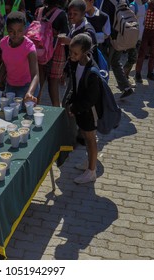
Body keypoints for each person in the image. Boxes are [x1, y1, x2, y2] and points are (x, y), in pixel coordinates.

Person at [66, 33, 102, 184]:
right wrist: (69, 101)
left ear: (86, 52)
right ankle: (89, 162)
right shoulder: (76, 63)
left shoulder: (92, 72)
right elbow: (75, 86)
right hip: (82, 110)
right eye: (70, 52)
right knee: (86, 136)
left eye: (75, 53)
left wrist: (75, 108)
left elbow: (91, 99)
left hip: (89, 111)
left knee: (90, 138)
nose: (72, 56)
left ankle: (92, 171)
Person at [0, 11, 39, 102]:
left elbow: (35, 75)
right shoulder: (3, 43)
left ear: (25, 29)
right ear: (7, 29)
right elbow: (4, 64)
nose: (16, 35)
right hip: (10, 86)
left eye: (20, 31)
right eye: (12, 31)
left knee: (23, 113)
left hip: (27, 86)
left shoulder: (29, 47)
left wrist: (30, 93)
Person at [36, 0, 69, 106]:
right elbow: (64, 37)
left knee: (38, 85)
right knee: (53, 86)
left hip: (39, 52)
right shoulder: (62, 14)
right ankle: (56, 114)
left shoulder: (39, 11)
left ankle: (33, 110)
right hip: (56, 53)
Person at [101, 0, 135, 99]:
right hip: (121, 36)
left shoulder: (108, 2)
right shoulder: (124, 1)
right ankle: (126, 87)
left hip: (111, 38)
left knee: (105, 63)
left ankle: (103, 92)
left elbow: (104, 19)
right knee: (115, 62)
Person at [123, 0, 148, 79]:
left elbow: (144, 19)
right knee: (132, 58)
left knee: (133, 58)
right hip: (133, 36)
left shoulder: (145, 5)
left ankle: (125, 77)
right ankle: (123, 77)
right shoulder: (132, 6)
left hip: (141, 36)